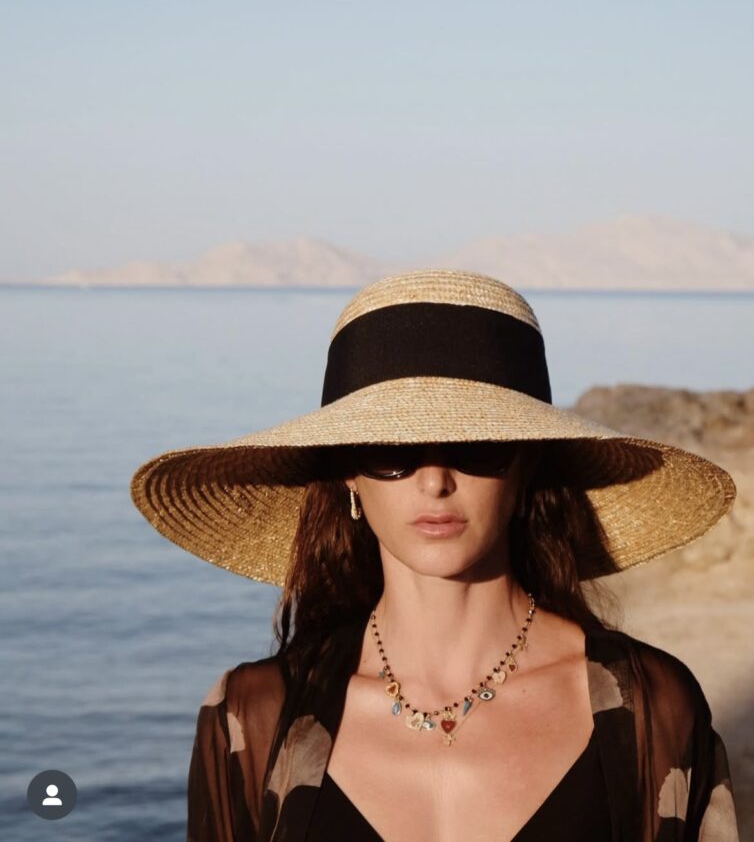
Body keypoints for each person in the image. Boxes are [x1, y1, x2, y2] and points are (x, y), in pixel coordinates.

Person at [130, 268, 741, 841]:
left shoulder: (649, 706)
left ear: (526, 466)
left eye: (476, 446)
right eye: (391, 449)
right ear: (348, 473)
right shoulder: (252, 719)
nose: (434, 481)